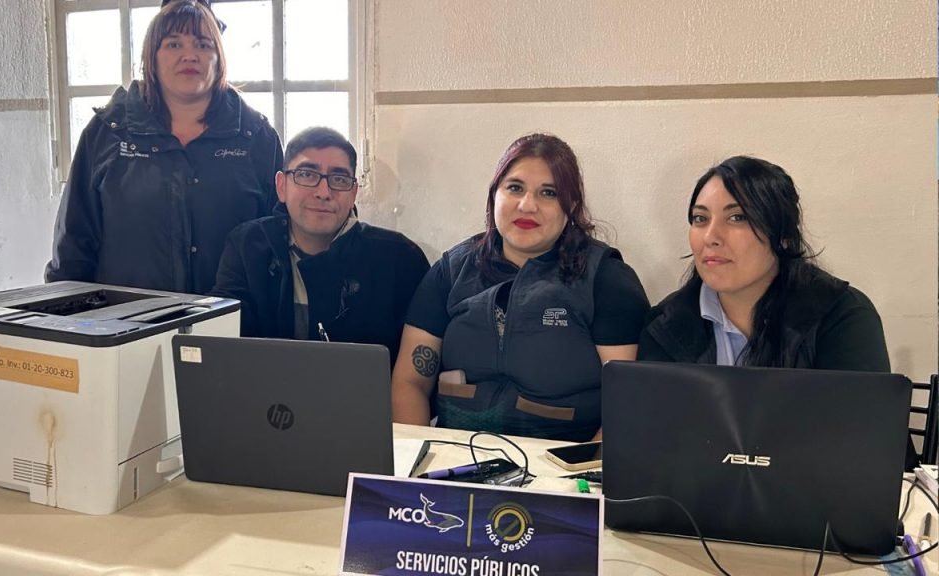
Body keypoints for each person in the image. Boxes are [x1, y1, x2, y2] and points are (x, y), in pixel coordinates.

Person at [638, 156, 917, 469]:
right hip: (694, 495)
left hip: (814, 492)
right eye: (700, 219)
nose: (711, 237)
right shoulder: (665, 325)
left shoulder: (842, 315)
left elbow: (866, 447)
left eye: (737, 218)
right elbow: (653, 445)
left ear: (783, 235)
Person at [391, 133, 649, 442]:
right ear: (494, 195)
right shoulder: (451, 271)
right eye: (515, 188)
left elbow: (628, 402)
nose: (527, 205)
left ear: (571, 205)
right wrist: (416, 457)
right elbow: (410, 383)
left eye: (549, 193)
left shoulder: (607, 279)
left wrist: (584, 468)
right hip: (456, 456)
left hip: (565, 461)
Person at [45, 0, 282, 295]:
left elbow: (279, 245)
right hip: (125, 319)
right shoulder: (107, 134)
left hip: (233, 320)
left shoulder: (257, 137)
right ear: (151, 57)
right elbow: (73, 246)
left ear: (219, 58)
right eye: (173, 44)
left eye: (203, 44)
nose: (189, 55)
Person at [210, 126, 429, 365]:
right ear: (281, 186)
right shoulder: (247, 247)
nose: (323, 192)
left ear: (353, 192)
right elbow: (223, 346)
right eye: (306, 175)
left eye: (339, 179)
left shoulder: (399, 259)